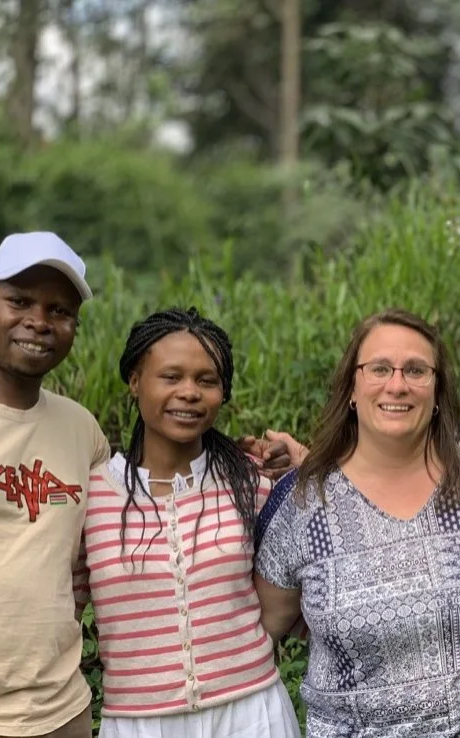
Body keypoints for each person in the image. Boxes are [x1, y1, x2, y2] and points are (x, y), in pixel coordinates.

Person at [0, 233, 291, 738]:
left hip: (62, 713)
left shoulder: (79, 431)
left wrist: (295, 464)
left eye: (59, 310)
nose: (39, 321)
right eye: (19, 301)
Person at [252, 308, 460, 737]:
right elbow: (255, 639)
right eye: (380, 368)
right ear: (352, 386)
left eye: (416, 370)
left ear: (438, 388)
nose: (398, 384)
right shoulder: (302, 502)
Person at [74, 307, 301, 737]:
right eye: (171, 376)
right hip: (140, 723)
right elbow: (62, 613)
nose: (189, 392)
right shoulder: (93, 497)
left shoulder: (249, 483)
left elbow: (312, 583)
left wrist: (302, 471)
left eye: (207, 380)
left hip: (251, 714)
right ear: (135, 382)